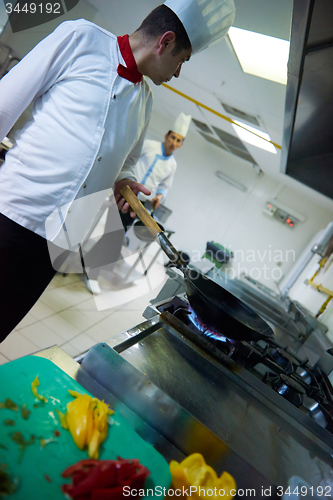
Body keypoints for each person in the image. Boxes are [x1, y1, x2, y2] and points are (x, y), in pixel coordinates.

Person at [0, 0, 236, 341]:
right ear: (165, 42)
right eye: (181, 60)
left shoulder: (145, 102)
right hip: (15, 212)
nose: (178, 73)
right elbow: (6, 100)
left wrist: (126, 180)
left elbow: (127, 160)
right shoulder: (81, 38)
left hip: (61, 242)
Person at [84, 112, 192, 295]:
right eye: (173, 137)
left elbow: (165, 187)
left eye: (179, 140)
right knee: (115, 236)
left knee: (115, 235)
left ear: (181, 145)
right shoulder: (149, 146)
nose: (174, 142)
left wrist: (160, 196)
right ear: (166, 136)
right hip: (125, 195)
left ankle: (87, 262)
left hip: (141, 206)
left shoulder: (171, 165)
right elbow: (128, 162)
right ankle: (92, 274)